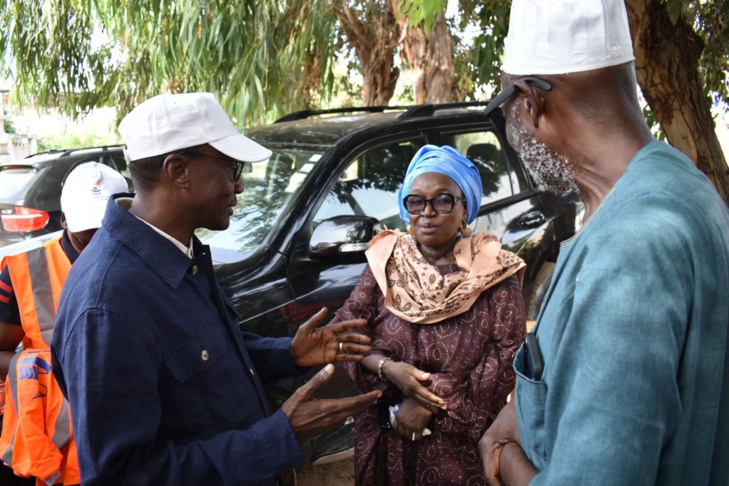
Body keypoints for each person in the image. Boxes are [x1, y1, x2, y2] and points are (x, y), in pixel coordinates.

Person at [50, 92, 381, 485]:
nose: (239, 186)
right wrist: (278, 437)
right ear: (178, 170)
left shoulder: (179, 251)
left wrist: (287, 354)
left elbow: (208, 358)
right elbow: (120, 475)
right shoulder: (108, 303)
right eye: (231, 168)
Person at [478, 1, 729, 485]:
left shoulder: (631, 250)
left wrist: (503, 455)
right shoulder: (686, 186)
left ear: (530, 103)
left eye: (505, 108)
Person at [334, 144, 527, 485]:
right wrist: (388, 369)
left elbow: (506, 358)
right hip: (386, 438)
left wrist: (430, 403)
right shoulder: (385, 261)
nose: (427, 212)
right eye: (416, 201)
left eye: (442, 200)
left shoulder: (494, 272)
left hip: (458, 447)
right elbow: (345, 333)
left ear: (464, 207)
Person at [0, 162, 129, 485]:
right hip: (52, 456)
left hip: (129, 449)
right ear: (64, 219)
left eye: (109, 231)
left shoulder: (147, 263)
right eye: (88, 236)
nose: (99, 247)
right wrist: (45, 364)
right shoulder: (23, 271)